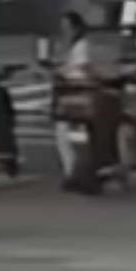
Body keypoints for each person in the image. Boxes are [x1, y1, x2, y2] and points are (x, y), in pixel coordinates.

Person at [51, 11, 123, 191]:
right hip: (70, 91)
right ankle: (74, 172)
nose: (64, 31)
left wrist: (100, 80)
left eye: (67, 27)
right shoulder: (68, 47)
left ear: (76, 28)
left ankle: (77, 173)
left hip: (79, 93)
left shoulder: (81, 46)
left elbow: (85, 68)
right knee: (66, 134)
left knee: (70, 133)